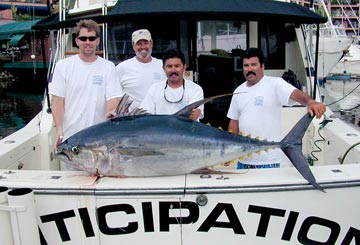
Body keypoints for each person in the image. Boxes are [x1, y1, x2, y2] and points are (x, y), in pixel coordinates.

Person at [227, 47, 326, 169]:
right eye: (246, 66)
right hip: (244, 161)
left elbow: (295, 94)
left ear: (262, 66)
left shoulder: (275, 84)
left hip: (269, 161)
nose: (249, 69)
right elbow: (234, 121)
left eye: (254, 65)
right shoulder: (238, 91)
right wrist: (229, 151)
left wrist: (310, 102)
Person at [49, 19, 123, 153]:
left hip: (100, 140)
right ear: (77, 41)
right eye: (83, 38)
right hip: (71, 139)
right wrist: (59, 128)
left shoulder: (109, 67)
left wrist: (111, 112)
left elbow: (113, 99)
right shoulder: (63, 66)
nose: (87, 42)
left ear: (97, 41)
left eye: (91, 38)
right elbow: (58, 102)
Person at [140, 49, 204, 121]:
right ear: (164, 68)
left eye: (177, 66)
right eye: (169, 66)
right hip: (160, 131)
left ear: (184, 67)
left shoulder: (195, 89)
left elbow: (194, 114)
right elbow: (144, 116)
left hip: (186, 131)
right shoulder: (154, 89)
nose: (173, 70)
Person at [116, 29, 166, 110]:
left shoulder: (163, 65)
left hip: (159, 117)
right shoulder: (122, 68)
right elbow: (114, 95)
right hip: (133, 120)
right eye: (139, 44)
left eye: (145, 43)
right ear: (133, 46)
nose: (143, 47)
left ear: (151, 43)